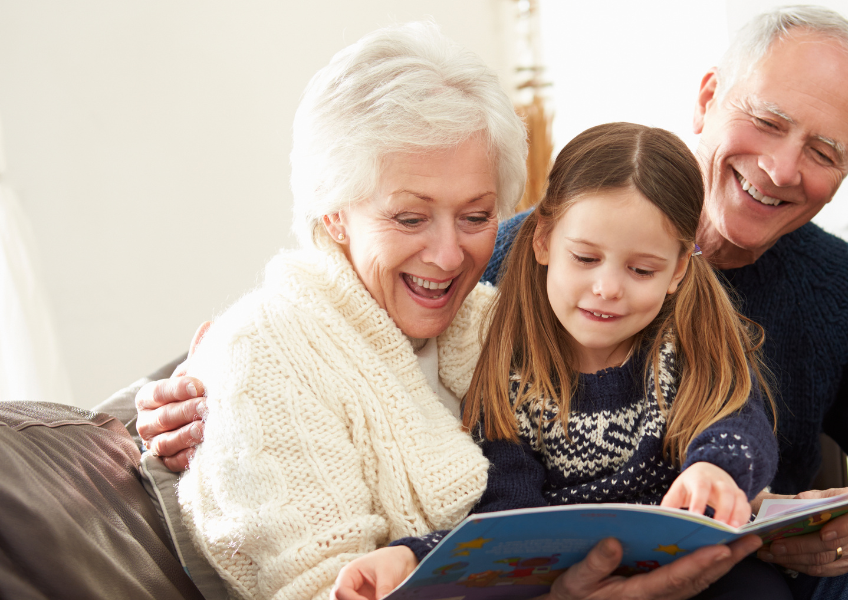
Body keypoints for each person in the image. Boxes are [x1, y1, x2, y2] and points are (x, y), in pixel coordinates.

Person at [138, 6, 848, 600]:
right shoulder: (518, 265)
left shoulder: (839, 294)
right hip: (571, 577)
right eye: (767, 121)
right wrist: (184, 387)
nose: (782, 168)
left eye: (824, 152)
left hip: (745, 570)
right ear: (708, 97)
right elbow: (339, 319)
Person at [169, 23, 761, 600]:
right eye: (410, 218)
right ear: (333, 213)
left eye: (476, 217)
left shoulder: (493, 320)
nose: (450, 256)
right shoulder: (267, 353)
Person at [332, 122, 789, 600]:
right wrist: (415, 557)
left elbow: (740, 427)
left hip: (697, 560)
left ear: (676, 271)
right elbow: (506, 518)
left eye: (641, 270)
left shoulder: (689, 344)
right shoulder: (512, 373)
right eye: (586, 259)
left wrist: (716, 470)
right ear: (544, 240)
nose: (607, 288)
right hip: (574, 577)